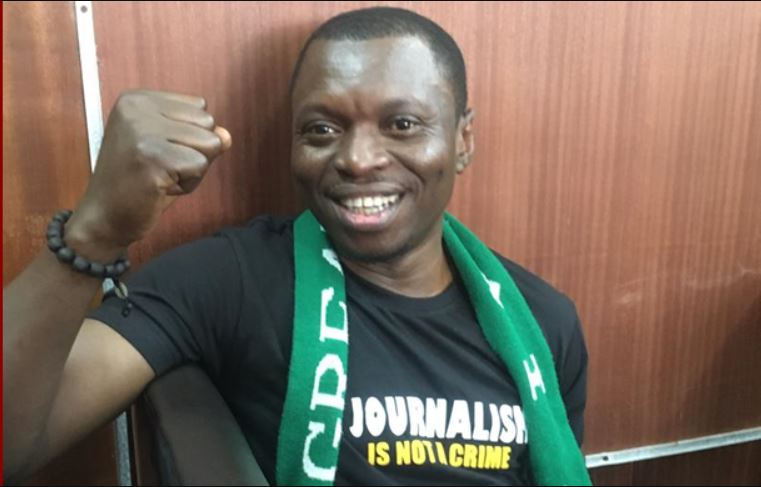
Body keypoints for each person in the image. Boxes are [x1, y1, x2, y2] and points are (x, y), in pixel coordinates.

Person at [4, 7, 589, 486]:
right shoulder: (231, 281)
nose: (358, 159)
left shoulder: (543, 324)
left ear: (463, 141)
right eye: (322, 130)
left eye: (402, 125)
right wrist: (96, 230)